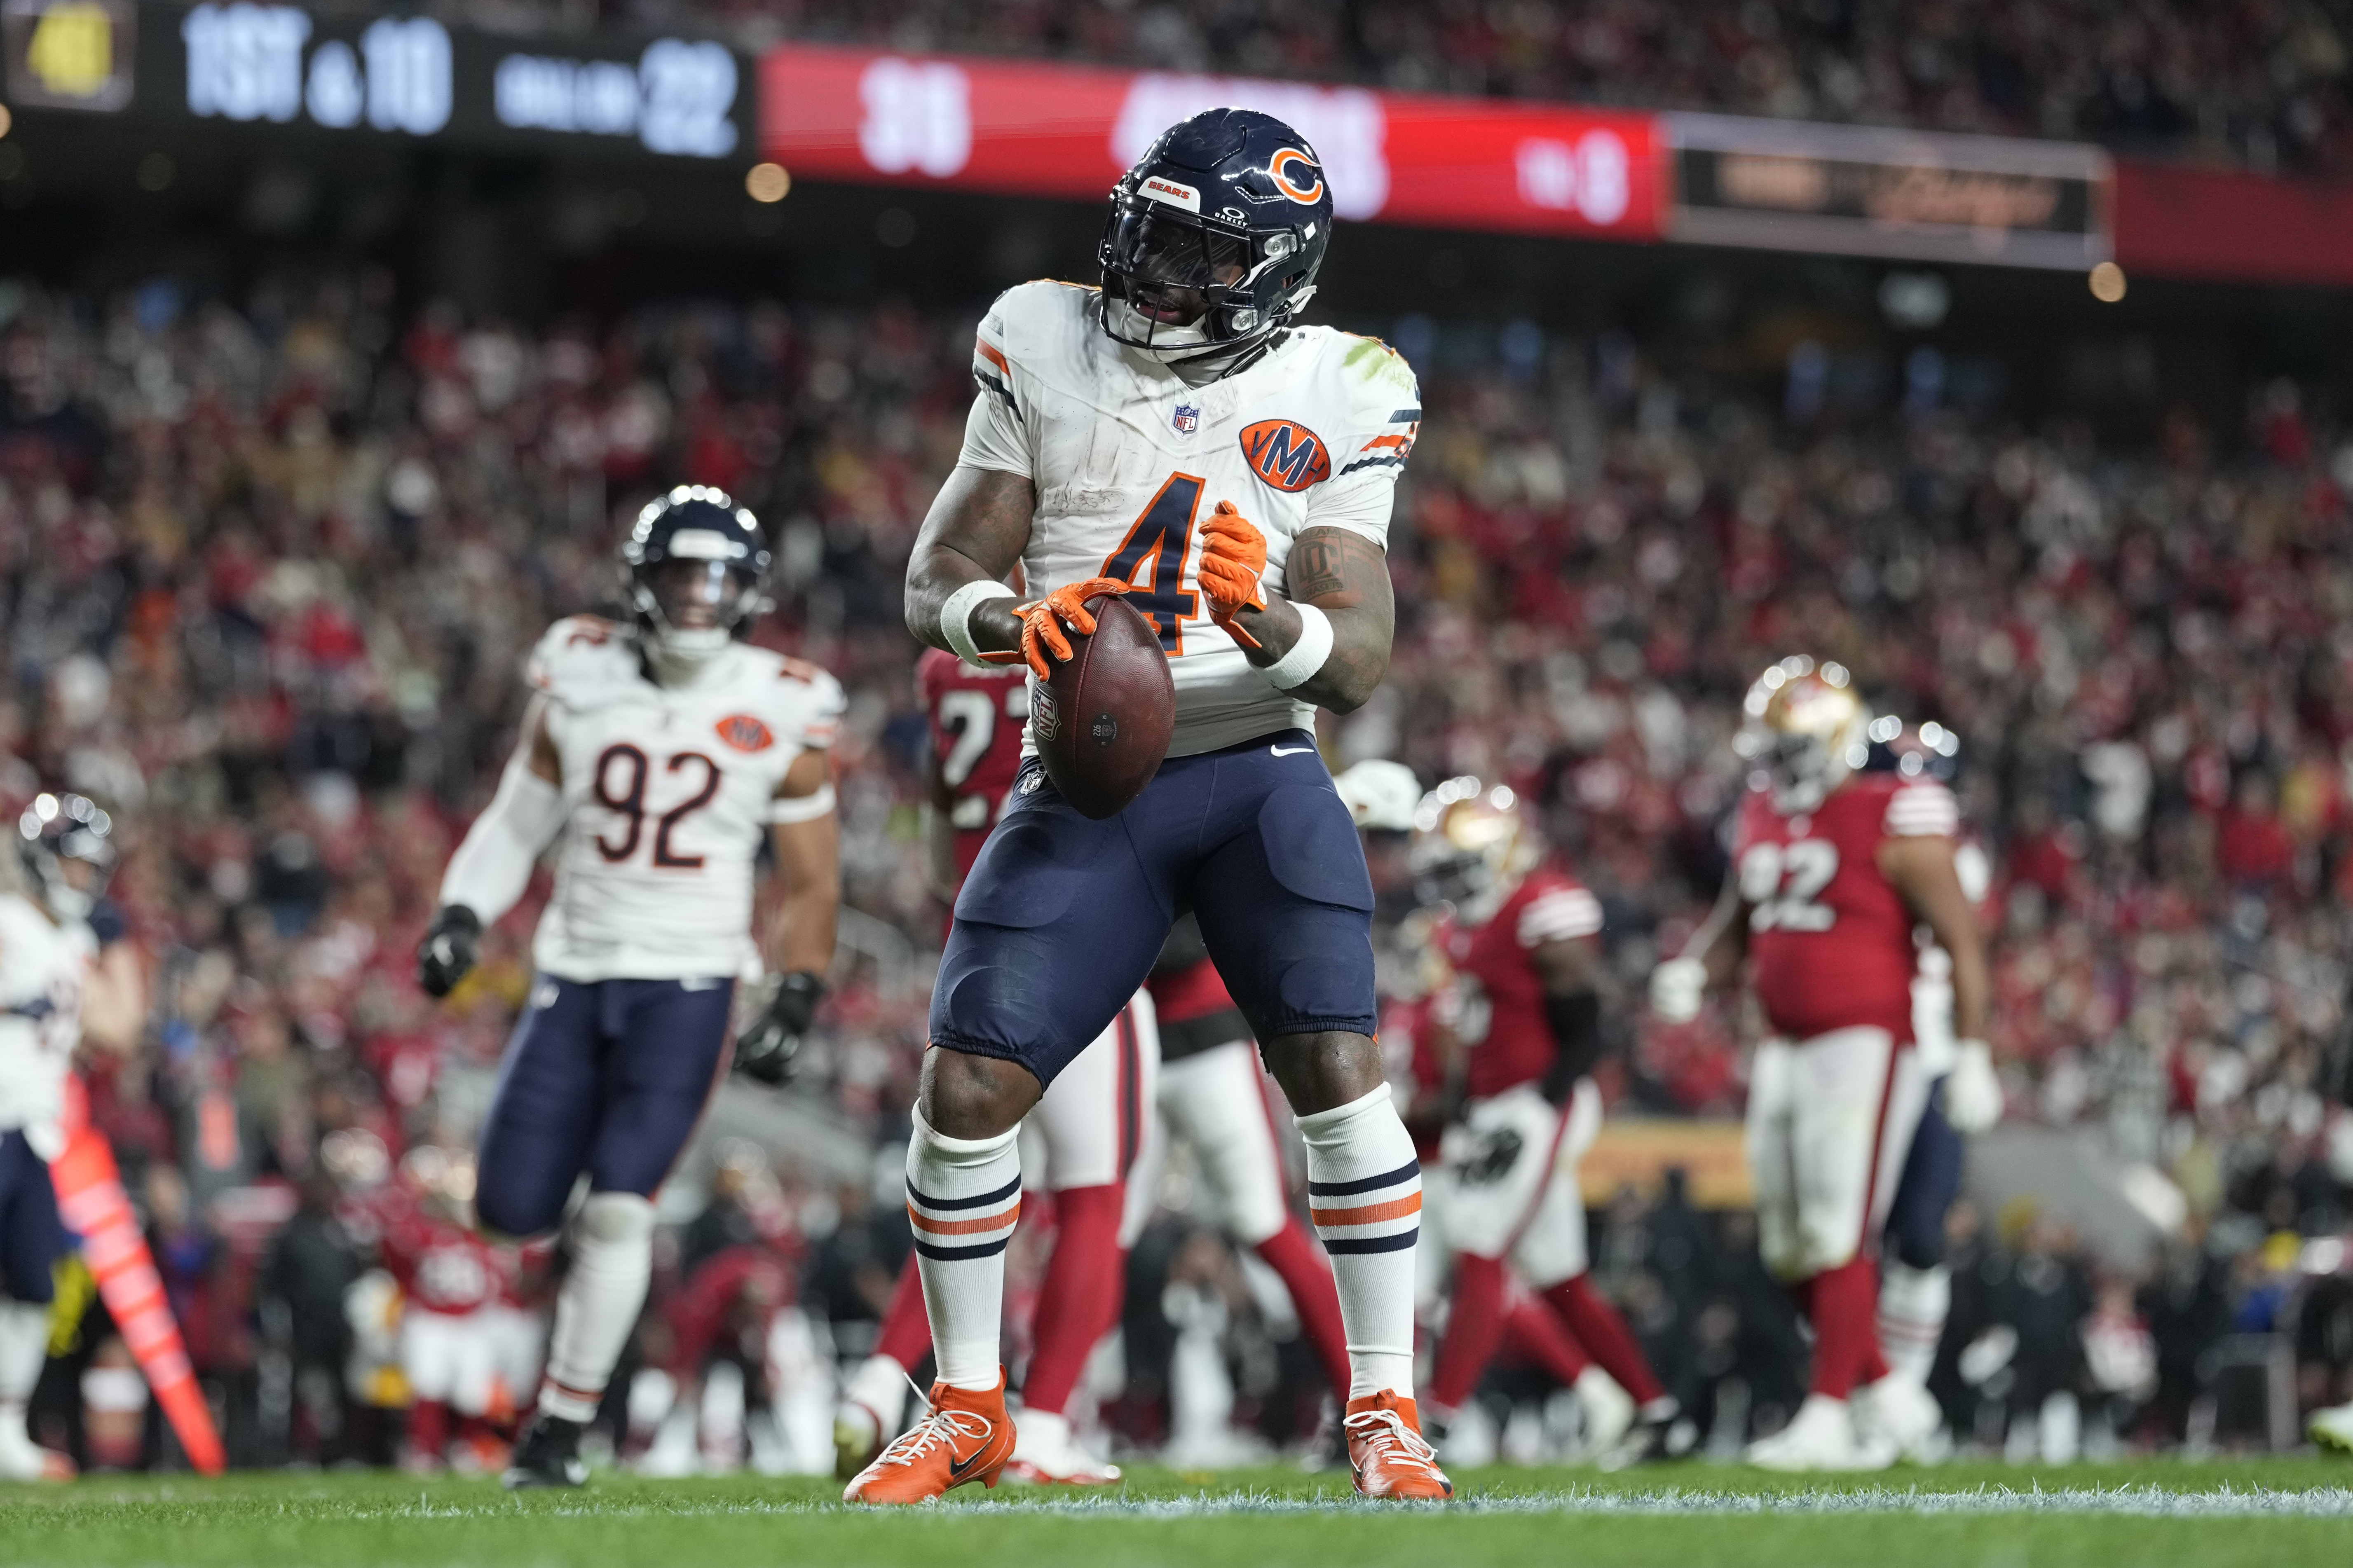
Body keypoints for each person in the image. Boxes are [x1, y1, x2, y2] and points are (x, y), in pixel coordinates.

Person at [856, 107, 1447, 1503]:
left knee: (1335, 1071)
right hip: (1085, 767)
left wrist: (1266, 617)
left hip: (1257, 766)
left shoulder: (1349, 380)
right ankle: (971, 1402)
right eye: (1150, 234)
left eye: (1196, 255)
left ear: (1274, 272)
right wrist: (1015, 618)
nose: (1149, 271)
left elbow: (1356, 661)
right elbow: (936, 568)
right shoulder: (1039, 331)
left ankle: (1383, 1403)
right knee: (968, 1082)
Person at [415, 487, 844, 1489]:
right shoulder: (578, 670)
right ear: (639, 582)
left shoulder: (784, 700)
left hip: (688, 986)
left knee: (618, 1209)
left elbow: (813, 878)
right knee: (510, 1209)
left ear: (748, 593)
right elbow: (517, 820)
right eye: (680, 575)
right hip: (574, 972)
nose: (698, 598)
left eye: (718, 580)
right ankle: (552, 1403)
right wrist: (461, 913)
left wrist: (795, 993)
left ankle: (559, 1430)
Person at [1650, 658, 1989, 1470]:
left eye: (1792, 743)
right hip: (1783, 1043)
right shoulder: (1762, 810)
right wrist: (1695, 969)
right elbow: (1738, 924)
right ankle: (1887, 1390)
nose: (1780, 760)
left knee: (1839, 1226)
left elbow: (1960, 944)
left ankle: (1829, 1413)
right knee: (1787, 1242)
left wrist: (1973, 1050)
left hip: (1868, 1040)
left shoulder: (1892, 809)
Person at [833, 646, 1159, 1487]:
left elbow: (944, 843)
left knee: (971, 1193)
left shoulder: (947, 663)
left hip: (977, 936)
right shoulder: (1093, 633)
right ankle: (1042, 1424)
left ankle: (880, 1384)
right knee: (1095, 1196)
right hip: (1079, 930)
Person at [1408, 778, 1679, 1468]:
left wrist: (1535, 1109)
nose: (1449, 882)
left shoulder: (1542, 905)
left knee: (1479, 1247)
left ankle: (1434, 1420)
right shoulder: (1465, 926)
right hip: (1497, 1106)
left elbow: (1587, 1028)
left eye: (1458, 865)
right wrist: (1473, 1114)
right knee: (1560, 1278)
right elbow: (1476, 1031)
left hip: (1544, 1098)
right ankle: (1656, 1411)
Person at [1870, 723, 2004, 1463]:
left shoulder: (1957, 857)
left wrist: (1973, 1053)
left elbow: (1959, 951)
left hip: (1933, 1054)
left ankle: (1904, 1395)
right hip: (1869, 1051)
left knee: (1919, 1238)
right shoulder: (1856, 842)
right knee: (1851, 1241)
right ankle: (1867, 1390)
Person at [0, 793, 112, 1482]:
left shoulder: (76, 941)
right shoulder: (8, 922)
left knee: (35, 1286)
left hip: (37, 1128)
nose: (84, 881)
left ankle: (7, 1427)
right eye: (74, 866)